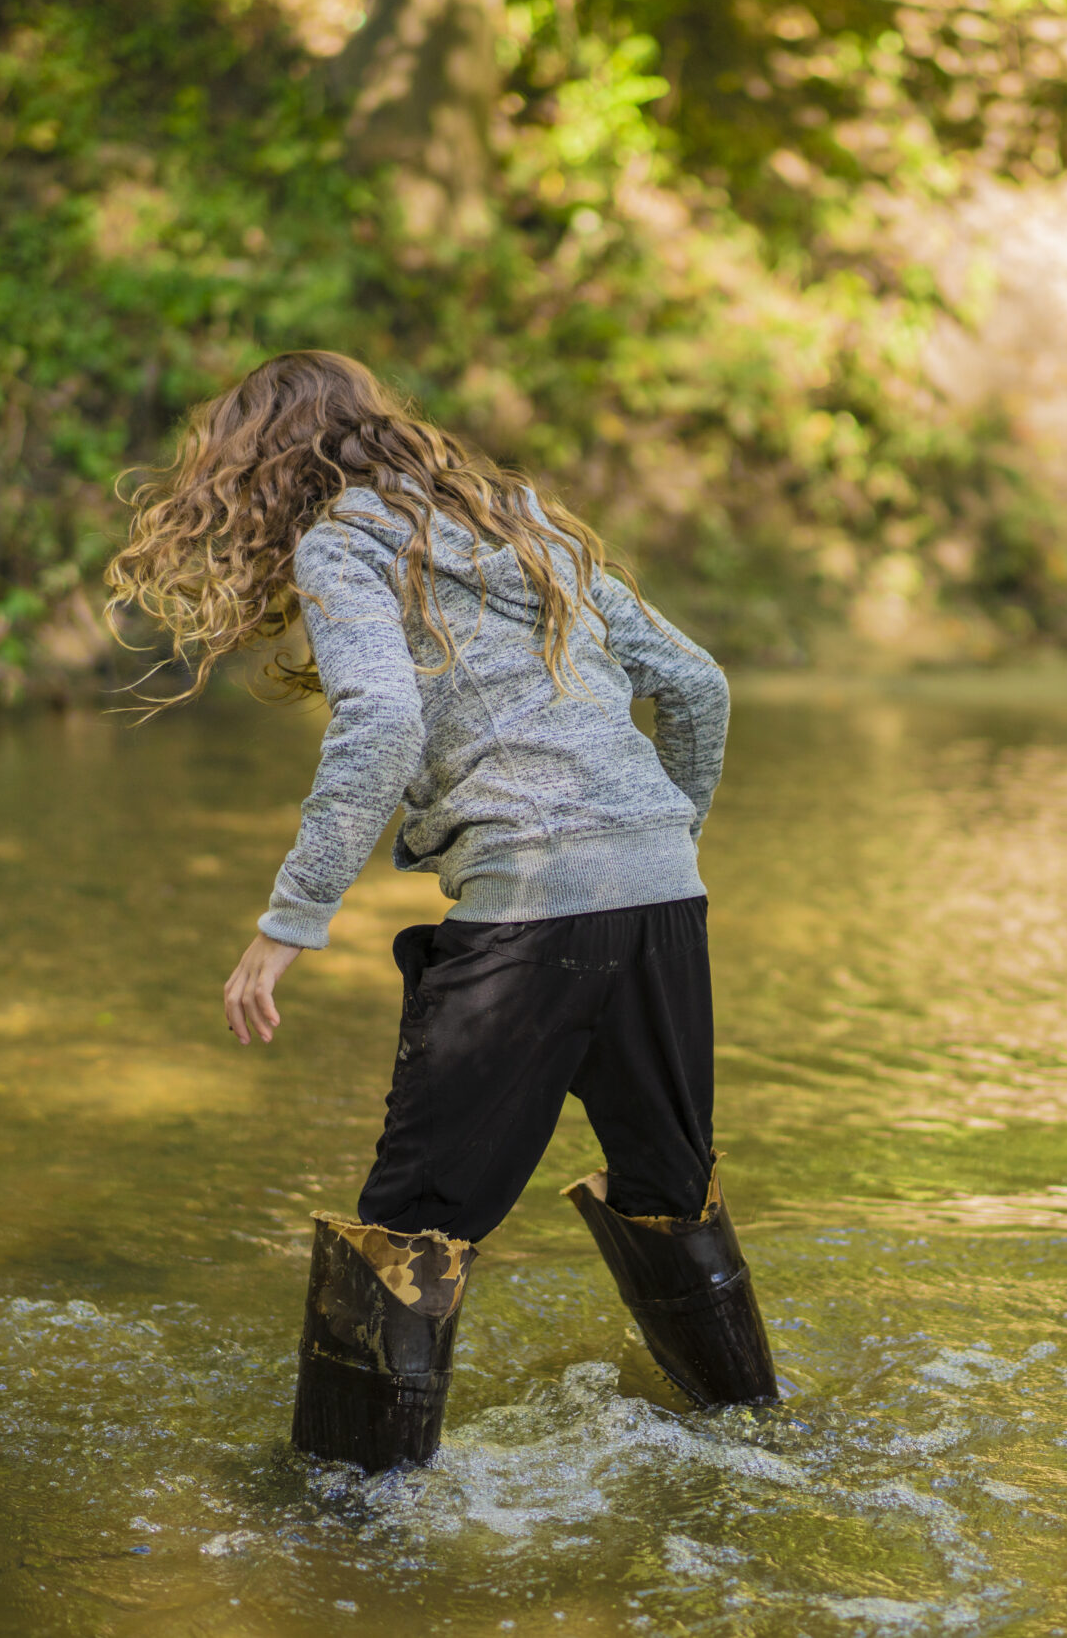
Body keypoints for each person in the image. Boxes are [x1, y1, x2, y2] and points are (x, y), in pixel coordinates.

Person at [106, 351, 777, 1473]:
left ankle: (346, 1523)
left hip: (529, 910)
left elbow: (378, 729)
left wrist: (289, 921)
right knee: (667, 1188)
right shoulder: (529, 528)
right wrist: (662, 840)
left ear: (268, 464)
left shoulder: (343, 542)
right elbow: (696, 684)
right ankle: (755, 1439)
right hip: (663, 891)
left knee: (411, 1223)